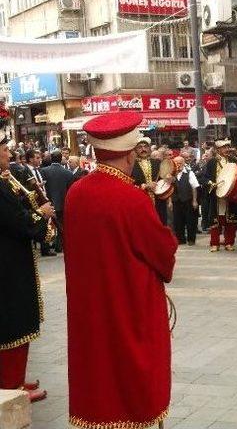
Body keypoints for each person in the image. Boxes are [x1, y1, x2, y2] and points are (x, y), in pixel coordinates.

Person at [64, 112, 177, 428]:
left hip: (89, 306)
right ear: (129, 153)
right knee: (132, 373)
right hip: (129, 303)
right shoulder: (131, 198)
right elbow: (162, 252)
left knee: (97, 368)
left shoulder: (76, 193)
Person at [0, 131, 53, 403]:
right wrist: (41, 214)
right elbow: (18, 221)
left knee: (18, 319)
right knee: (15, 322)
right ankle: (12, 386)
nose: (8, 155)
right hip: (7, 266)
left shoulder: (4, 182)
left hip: (11, 262)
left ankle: (16, 378)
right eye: (4, 150)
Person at [204, 138, 237, 252]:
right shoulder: (212, 162)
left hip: (230, 195)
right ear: (218, 149)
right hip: (216, 195)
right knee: (216, 220)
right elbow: (205, 178)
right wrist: (211, 183)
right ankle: (214, 243)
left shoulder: (233, 160)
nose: (226, 149)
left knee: (230, 221)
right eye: (224, 147)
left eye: (227, 147)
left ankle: (229, 242)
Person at [40, 150, 74, 253]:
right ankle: (59, 245)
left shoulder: (44, 171)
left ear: (51, 158)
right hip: (62, 203)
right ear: (61, 159)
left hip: (47, 203)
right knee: (60, 226)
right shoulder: (68, 173)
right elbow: (70, 190)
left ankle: (46, 247)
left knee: (46, 225)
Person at [131, 137, 169, 225]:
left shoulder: (158, 163)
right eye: (140, 147)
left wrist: (169, 178)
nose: (143, 149)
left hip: (159, 202)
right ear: (135, 149)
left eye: (145, 147)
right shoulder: (131, 165)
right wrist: (145, 186)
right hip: (140, 202)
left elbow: (165, 180)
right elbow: (127, 183)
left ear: (149, 148)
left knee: (160, 224)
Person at [172, 156, 200, 246]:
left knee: (190, 221)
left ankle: (191, 239)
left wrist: (195, 201)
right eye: (176, 163)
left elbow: (194, 187)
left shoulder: (189, 173)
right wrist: (169, 202)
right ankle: (180, 239)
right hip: (176, 201)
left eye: (180, 163)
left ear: (184, 163)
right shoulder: (171, 174)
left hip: (188, 200)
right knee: (177, 221)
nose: (178, 165)